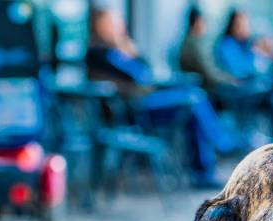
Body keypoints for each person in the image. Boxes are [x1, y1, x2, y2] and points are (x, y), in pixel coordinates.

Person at [85, 8, 234, 188]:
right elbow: (135, 78)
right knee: (192, 99)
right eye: (111, 23)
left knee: (192, 95)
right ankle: (220, 145)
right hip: (134, 108)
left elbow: (145, 70)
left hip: (145, 100)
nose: (118, 27)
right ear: (99, 26)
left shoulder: (121, 48)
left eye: (117, 23)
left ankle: (206, 164)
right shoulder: (97, 52)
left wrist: (132, 51)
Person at [214, 8, 273, 138]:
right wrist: (256, 54)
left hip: (253, 89)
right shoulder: (227, 45)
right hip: (240, 92)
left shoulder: (245, 44)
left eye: (246, 24)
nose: (245, 27)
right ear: (232, 25)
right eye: (241, 24)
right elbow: (239, 71)